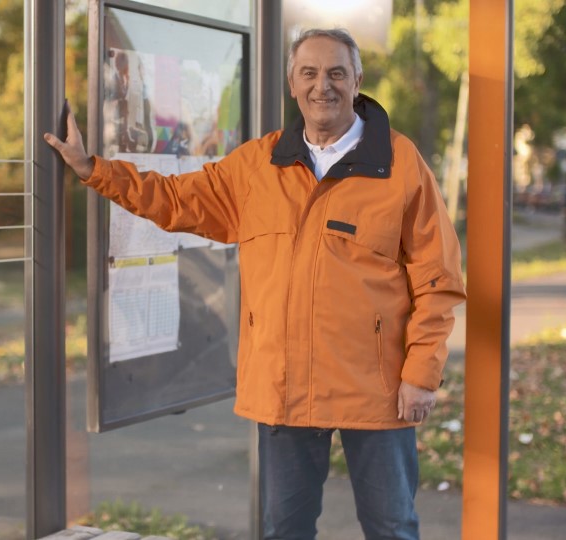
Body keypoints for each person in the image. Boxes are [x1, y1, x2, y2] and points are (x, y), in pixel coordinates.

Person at [46, 28, 466, 540]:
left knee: (391, 526)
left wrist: (421, 373)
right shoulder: (257, 165)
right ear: (292, 83)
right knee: (282, 529)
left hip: (376, 387)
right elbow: (176, 199)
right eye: (309, 73)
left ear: (357, 81)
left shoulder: (402, 167)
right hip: (284, 386)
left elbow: (438, 279)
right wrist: (92, 169)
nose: (322, 86)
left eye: (336, 72)